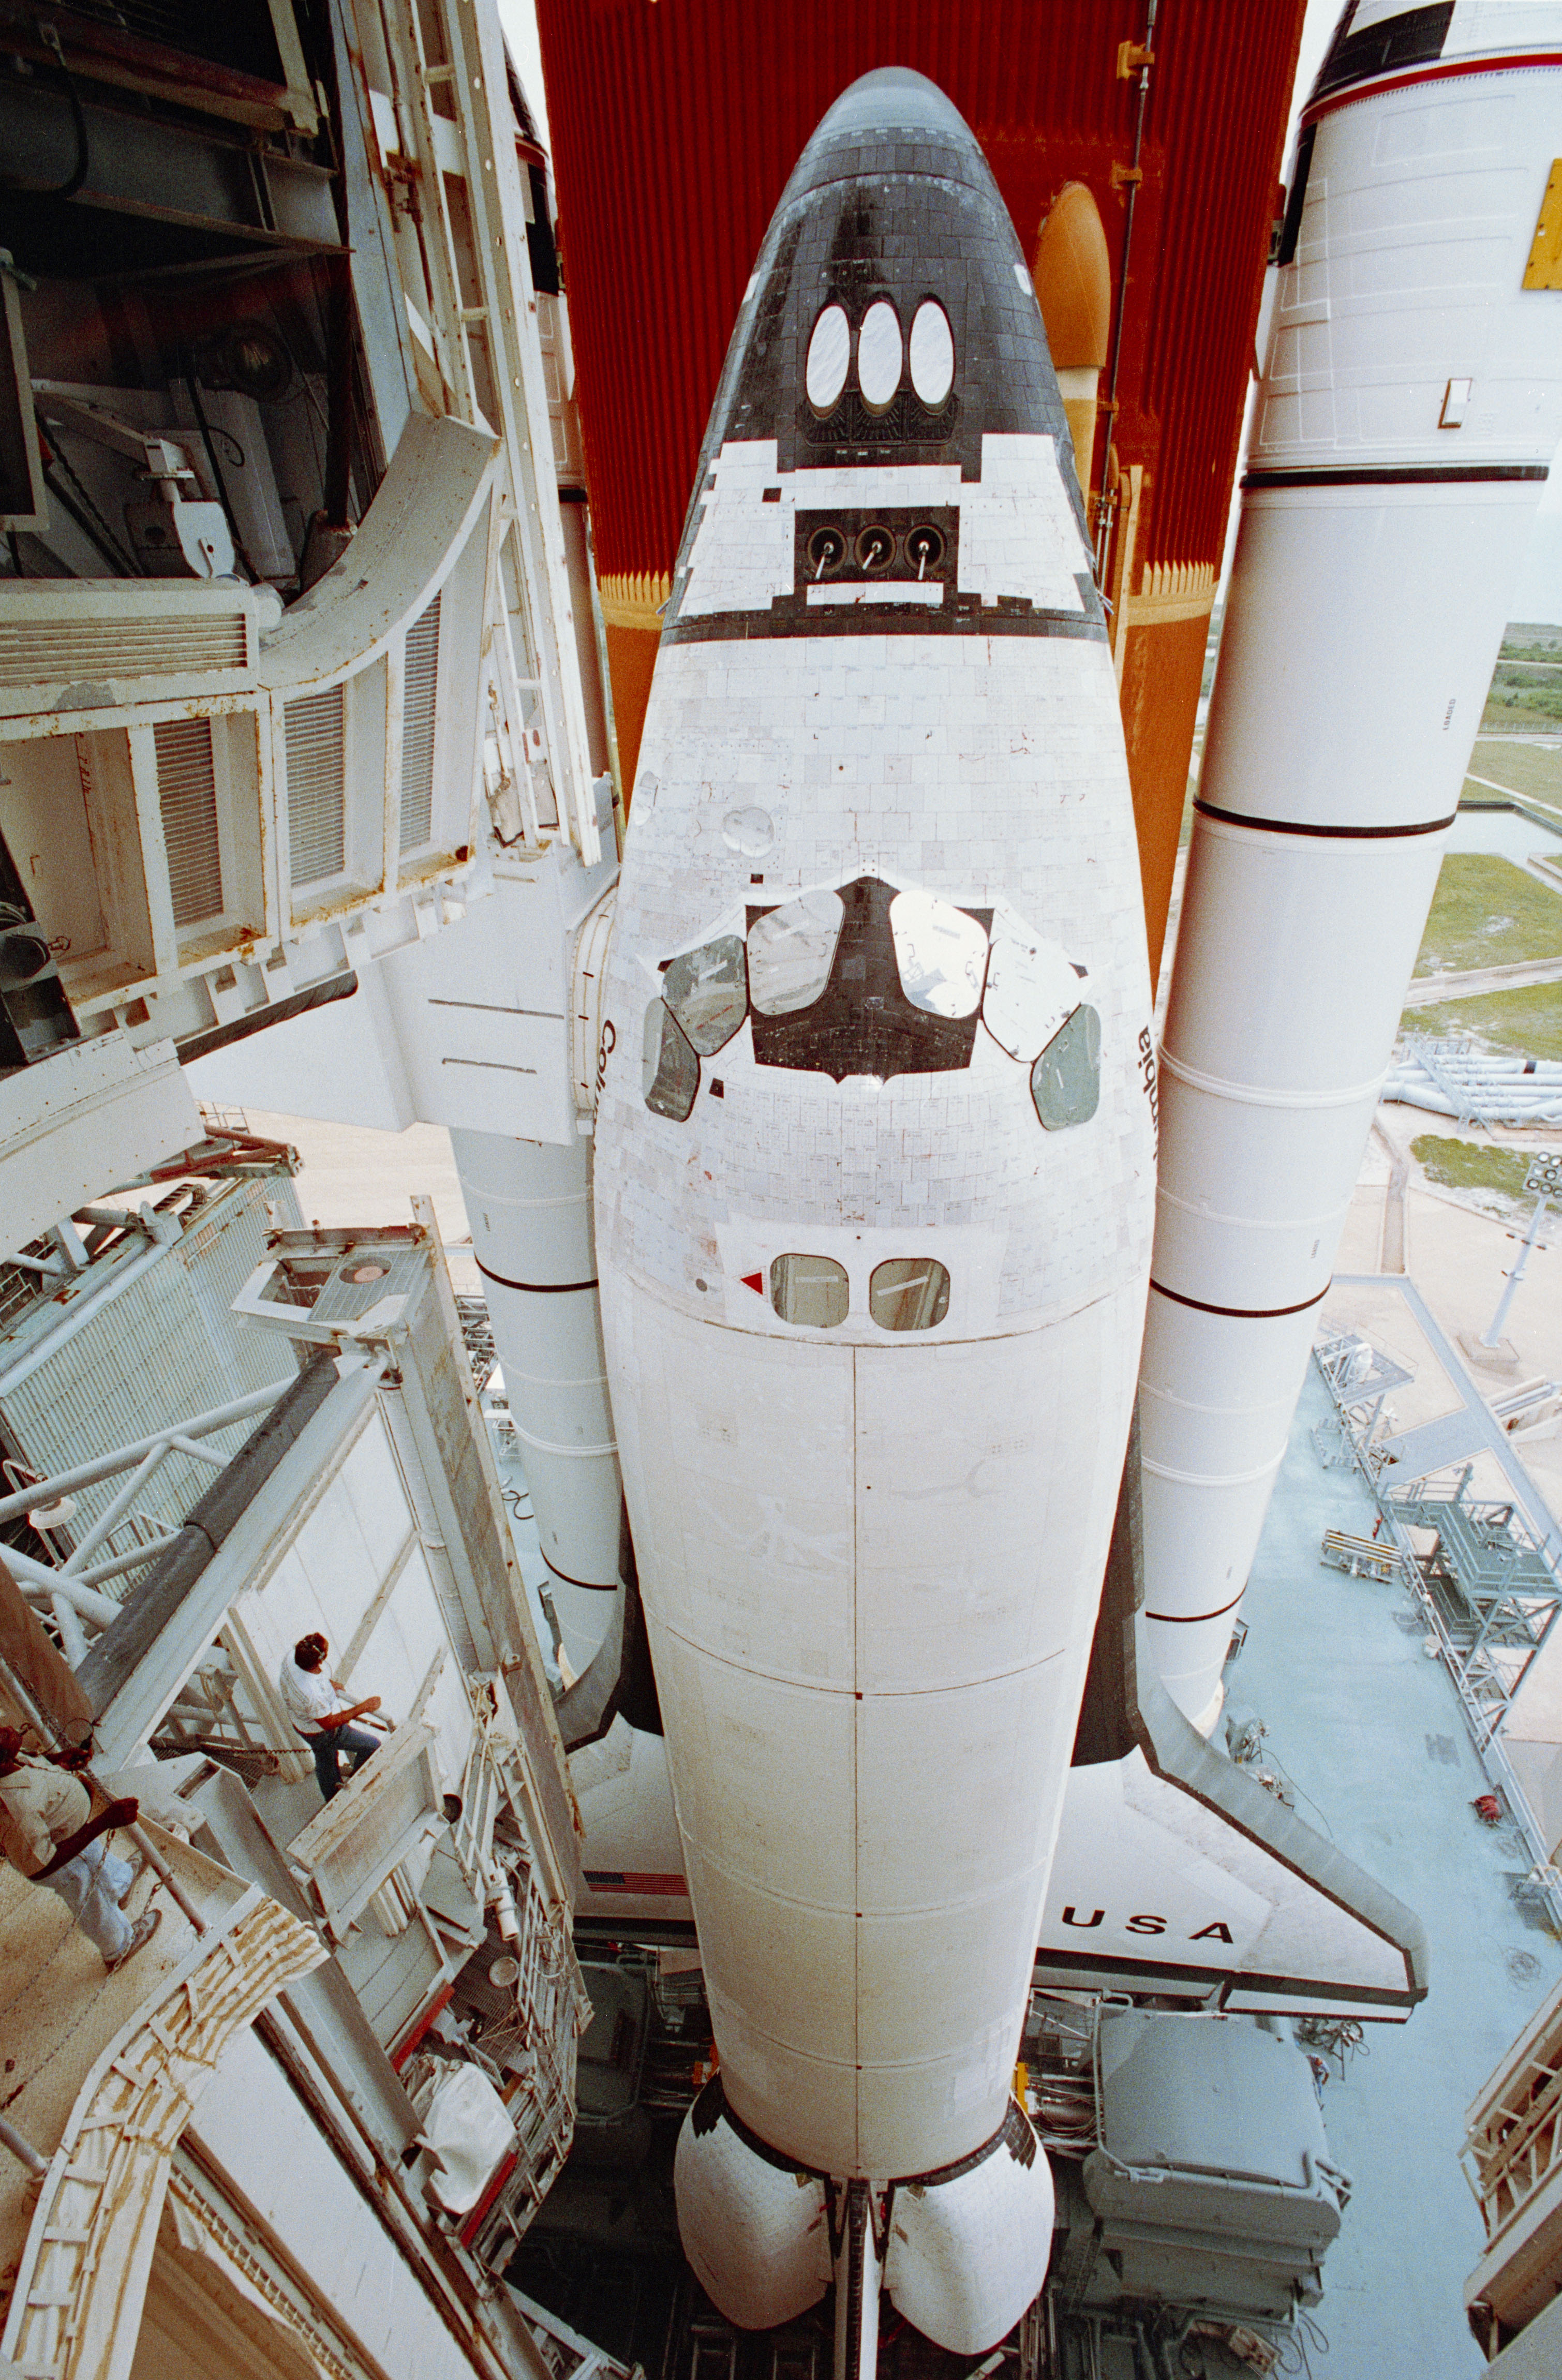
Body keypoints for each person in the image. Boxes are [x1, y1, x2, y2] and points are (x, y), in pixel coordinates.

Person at [0, 1725, 161, 1971]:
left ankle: (121, 1883)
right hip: (61, 1864)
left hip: (69, 1833)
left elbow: (29, 1765)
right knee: (87, 1893)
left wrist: (56, 1761)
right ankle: (117, 1948)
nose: (4, 1728)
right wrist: (102, 1823)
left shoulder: (8, 1757)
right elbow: (41, 1867)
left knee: (95, 1858)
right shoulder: (15, 1810)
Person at [279, 1633, 387, 1801]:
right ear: (319, 1661)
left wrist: (327, 1684)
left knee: (325, 1759)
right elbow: (328, 1723)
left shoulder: (291, 1660)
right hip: (322, 1733)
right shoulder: (312, 1695)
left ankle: (333, 1798)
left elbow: (307, 1677)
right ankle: (356, 1784)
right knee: (372, 1746)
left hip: (302, 1724)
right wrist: (364, 1707)